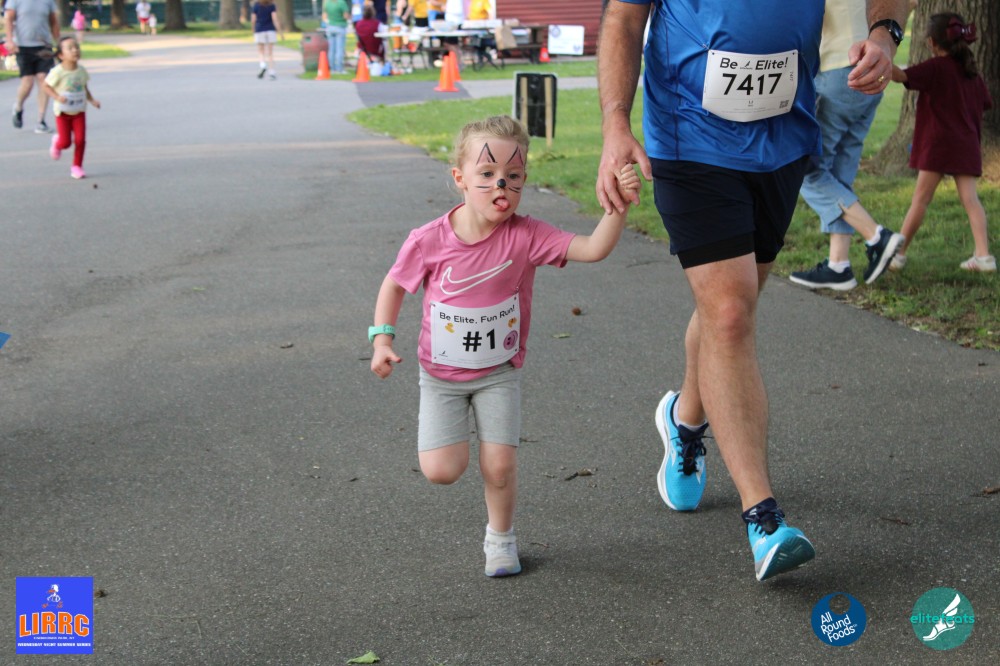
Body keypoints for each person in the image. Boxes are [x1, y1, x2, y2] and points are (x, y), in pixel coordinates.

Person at [596, 0, 907, 582]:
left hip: (782, 138)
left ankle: (684, 418)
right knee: (730, 314)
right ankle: (764, 520)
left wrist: (885, 34)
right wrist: (616, 123)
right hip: (689, 136)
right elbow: (623, 18)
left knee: (728, 310)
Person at [370, 115, 638, 577]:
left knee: (499, 465)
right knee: (441, 470)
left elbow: (593, 248)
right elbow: (394, 285)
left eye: (513, 175)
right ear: (460, 178)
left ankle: (500, 540)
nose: (501, 185)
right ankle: (458, 454)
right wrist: (382, 339)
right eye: (488, 173)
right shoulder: (429, 240)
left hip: (498, 374)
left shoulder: (527, 236)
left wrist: (619, 204)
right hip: (441, 377)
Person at [790, 0, 905, 291]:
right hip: (874, 71)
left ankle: (877, 236)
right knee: (840, 172)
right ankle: (838, 265)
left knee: (807, 169)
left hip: (838, 70)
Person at [889, 13, 994, 273]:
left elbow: (900, 76)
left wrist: (880, 58)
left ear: (931, 43)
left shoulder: (935, 68)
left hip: (937, 145)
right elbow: (986, 103)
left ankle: (898, 255)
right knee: (971, 200)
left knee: (920, 201)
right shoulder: (972, 73)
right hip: (967, 145)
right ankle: (984, 257)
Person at [42, 35, 100, 179]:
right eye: (70, 48)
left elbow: (84, 88)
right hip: (63, 113)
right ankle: (57, 143)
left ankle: (77, 166)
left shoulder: (81, 71)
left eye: (76, 47)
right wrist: (57, 97)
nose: (75, 50)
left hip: (79, 111)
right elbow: (46, 86)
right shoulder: (58, 72)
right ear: (61, 55)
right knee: (66, 143)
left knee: (80, 140)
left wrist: (92, 100)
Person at [4, 0, 59, 133]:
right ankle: (18, 106)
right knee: (27, 83)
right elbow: (9, 19)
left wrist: (58, 43)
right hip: (23, 46)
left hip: (44, 46)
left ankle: (41, 121)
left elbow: (53, 21)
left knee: (44, 80)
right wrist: (10, 40)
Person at [251, 0, 283, 80]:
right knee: (270, 53)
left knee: (261, 51)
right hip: (270, 30)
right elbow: (274, 19)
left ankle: (263, 65)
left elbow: (253, 19)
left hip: (259, 29)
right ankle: (272, 72)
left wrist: (253, 29)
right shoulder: (271, 5)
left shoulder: (256, 5)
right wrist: (280, 32)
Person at [322, 0, 350, 74]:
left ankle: (332, 68)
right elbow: (345, 16)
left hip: (330, 27)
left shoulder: (327, 3)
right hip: (340, 27)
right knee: (339, 49)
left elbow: (324, 16)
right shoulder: (341, 2)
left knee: (331, 49)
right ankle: (339, 69)